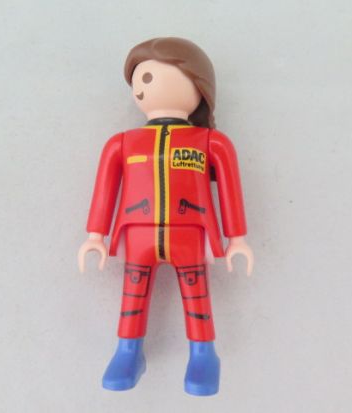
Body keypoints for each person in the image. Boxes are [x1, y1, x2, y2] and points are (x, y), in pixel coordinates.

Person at [78, 37, 253, 396]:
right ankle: (128, 351)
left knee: (197, 295)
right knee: (133, 295)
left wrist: (237, 239)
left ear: (198, 83)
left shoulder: (211, 142)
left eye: (150, 76)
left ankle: (203, 353)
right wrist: (95, 236)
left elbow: (230, 190)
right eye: (139, 79)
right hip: (137, 232)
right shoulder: (121, 143)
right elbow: (104, 190)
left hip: (191, 231)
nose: (143, 86)